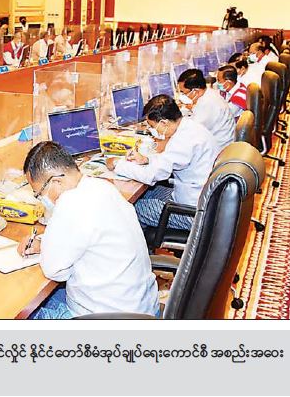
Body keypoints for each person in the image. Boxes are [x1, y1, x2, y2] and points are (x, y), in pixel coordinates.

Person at [18, 141, 159, 319]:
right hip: (143, 310)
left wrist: (47, 247)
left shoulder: (70, 203)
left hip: (108, 321)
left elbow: (55, 271)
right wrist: (43, 243)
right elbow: (83, 235)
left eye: (39, 193)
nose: (42, 199)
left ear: (56, 181)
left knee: (23, 313)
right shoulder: (101, 186)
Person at [108, 95, 218, 233]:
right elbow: (169, 160)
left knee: (131, 208)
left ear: (164, 123)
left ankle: (144, 246)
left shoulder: (183, 140)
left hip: (193, 213)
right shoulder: (190, 128)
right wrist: (146, 160)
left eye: (152, 126)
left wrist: (117, 164)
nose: (152, 130)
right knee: (147, 194)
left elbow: (151, 175)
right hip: (198, 198)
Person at [177, 69, 235, 150]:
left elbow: (192, 132)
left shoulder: (207, 103)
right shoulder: (209, 94)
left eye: (184, 92)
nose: (182, 95)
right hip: (224, 141)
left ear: (195, 91)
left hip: (222, 148)